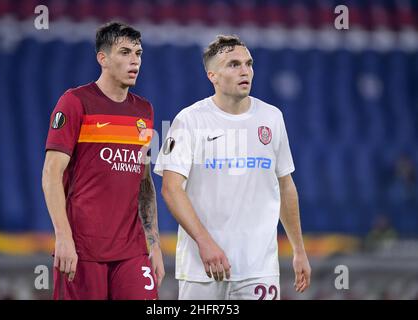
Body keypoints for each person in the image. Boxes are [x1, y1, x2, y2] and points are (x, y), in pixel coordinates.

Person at [154, 35, 311, 300]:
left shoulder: (272, 118)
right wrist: (204, 242)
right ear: (212, 75)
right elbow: (170, 189)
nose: (245, 71)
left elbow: (285, 185)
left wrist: (299, 250)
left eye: (249, 64)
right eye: (234, 64)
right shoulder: (190, 120)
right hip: (202, 267)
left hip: (258, 268)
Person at [42, 21, 164, 300]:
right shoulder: (75, 102)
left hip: (132, 251)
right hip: (83, 250)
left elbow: (143, 182)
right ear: (103, 58)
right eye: (124, 52)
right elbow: (51, 174)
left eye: (139, 53)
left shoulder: (144, 110)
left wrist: (153, 243)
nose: (135, 61)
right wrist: (63, 237)